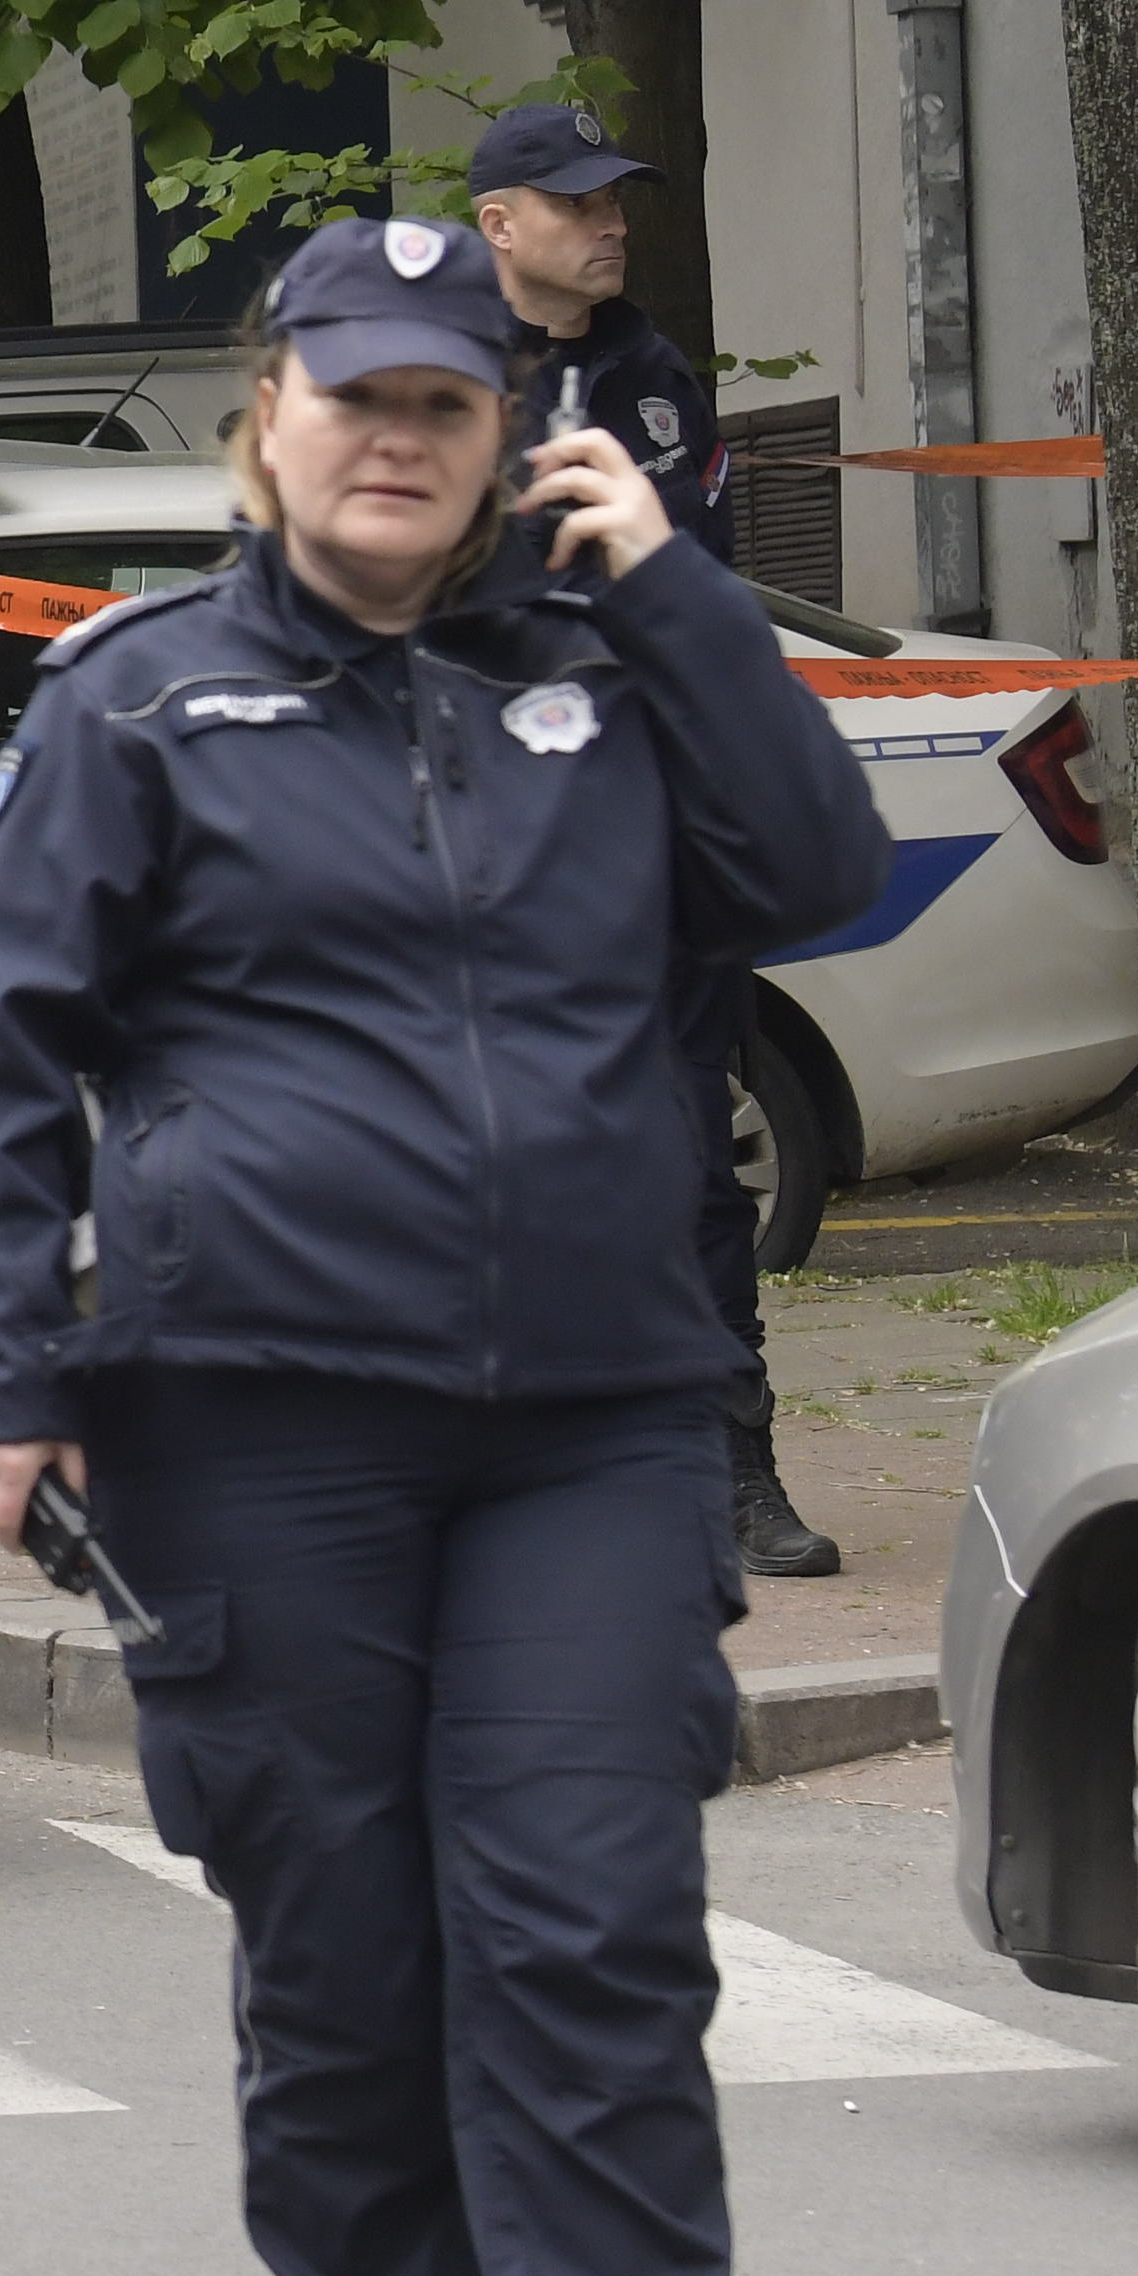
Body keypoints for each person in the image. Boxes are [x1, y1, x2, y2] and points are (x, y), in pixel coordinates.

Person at [0, 218, 892, 2276]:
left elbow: (820, 868)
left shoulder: (612, 674)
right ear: (267, 420)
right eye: (348, 395)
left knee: (589, 1927)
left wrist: (677, 595)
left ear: (503, 442)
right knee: (339, 1950)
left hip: (592, 1419)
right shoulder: (140, 702)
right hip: (253, 1427)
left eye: (440, 405)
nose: (388, 436)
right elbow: (3, 1045)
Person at [466, 94, 838, 1592]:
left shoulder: (646, 371)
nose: (611, 222)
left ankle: (730, 1469)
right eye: (578, 203)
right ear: (502, 224)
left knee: (686, 1160)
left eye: (616, 200)